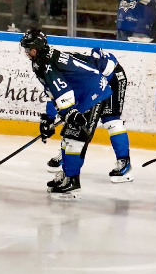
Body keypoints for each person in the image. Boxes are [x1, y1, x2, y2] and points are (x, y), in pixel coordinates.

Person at [21, 29, 114, 201]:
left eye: (29, 48)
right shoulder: (41, 59)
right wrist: (49, 118)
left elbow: (61, 89)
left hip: (93, 93)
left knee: (74, 139)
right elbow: (52, 89)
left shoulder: (45, 62)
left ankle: (73, 183)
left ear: (38, 47)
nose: (27, 52)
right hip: (83, 94)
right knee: (67, 138)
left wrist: (69, 111)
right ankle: (67, 176)